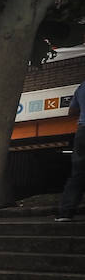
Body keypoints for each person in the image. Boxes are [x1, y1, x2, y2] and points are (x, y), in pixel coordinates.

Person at [57, 79, 85, 222]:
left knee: (78, 173)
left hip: (82, 131)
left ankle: (65, 212)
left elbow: (72, 111)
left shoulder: (82, 87)